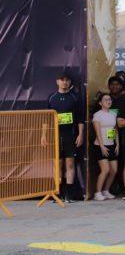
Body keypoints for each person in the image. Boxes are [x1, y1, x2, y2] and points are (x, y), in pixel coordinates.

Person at [45, 71, 84, 203]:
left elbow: (80, 118)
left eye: (67, 80)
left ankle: (69, 194)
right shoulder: (52, 97)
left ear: (70, 82)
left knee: (70, 164)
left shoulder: (74, 98)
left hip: (70, 135)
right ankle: (58, 193)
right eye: (62, 80)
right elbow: (46, 119)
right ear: (57, 82)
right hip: (56, 136)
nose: (65, 82)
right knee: (58, 164)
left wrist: (80, 135)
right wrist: (44, 135)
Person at [92, 93, 119, 201]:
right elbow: (97, 132)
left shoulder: (113, 114)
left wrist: (117, 144)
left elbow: (115, 130)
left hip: (112, 144)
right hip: (100, 145)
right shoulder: (97, 115)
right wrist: (102, 146)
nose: (108, 101)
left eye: (109, 99)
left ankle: (106, 190)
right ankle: (97, 192)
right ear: (100, 103)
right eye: (105, 99)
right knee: (105, 169)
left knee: (114, 170)